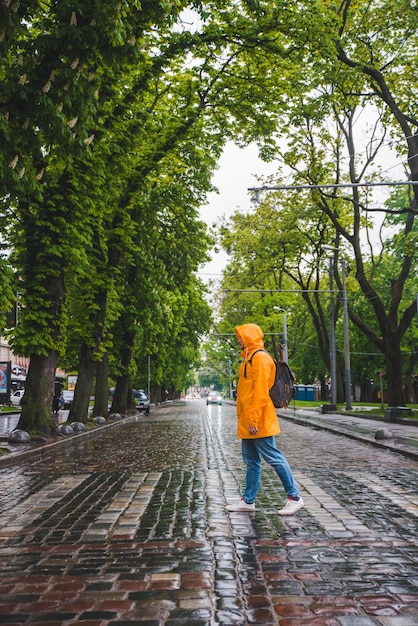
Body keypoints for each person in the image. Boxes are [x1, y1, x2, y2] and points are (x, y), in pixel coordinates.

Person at [227, 322, 304, 516]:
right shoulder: (248, 358)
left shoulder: (260, 358)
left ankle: (294, 497)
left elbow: (261, 393)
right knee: (252, 460)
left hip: (258, 419)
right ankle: (248, 500)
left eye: (240, 336)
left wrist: (252, 420)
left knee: (274, 457)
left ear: (249, 336)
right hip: (248, 419)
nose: (238, 340)